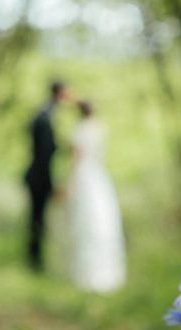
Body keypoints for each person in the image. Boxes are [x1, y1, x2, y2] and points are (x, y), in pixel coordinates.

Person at [66, 100, 126, 292]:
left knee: (84, 222)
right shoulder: (100, 129)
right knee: (101, 222)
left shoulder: (80, 130)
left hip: (84, 177)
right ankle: (103, 273)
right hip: (99, 176)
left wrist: (69, 184)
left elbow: (76, 159)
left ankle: (85, 275)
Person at [24, 80, 70, 271]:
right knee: (37, 218)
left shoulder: (44, 114)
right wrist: (50, 184)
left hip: (37, 175)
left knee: (37, 218)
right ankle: (35, 260)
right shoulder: (44, 117)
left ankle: (35, 258)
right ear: (60, 94)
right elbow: (44, 153)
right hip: (39, 177)